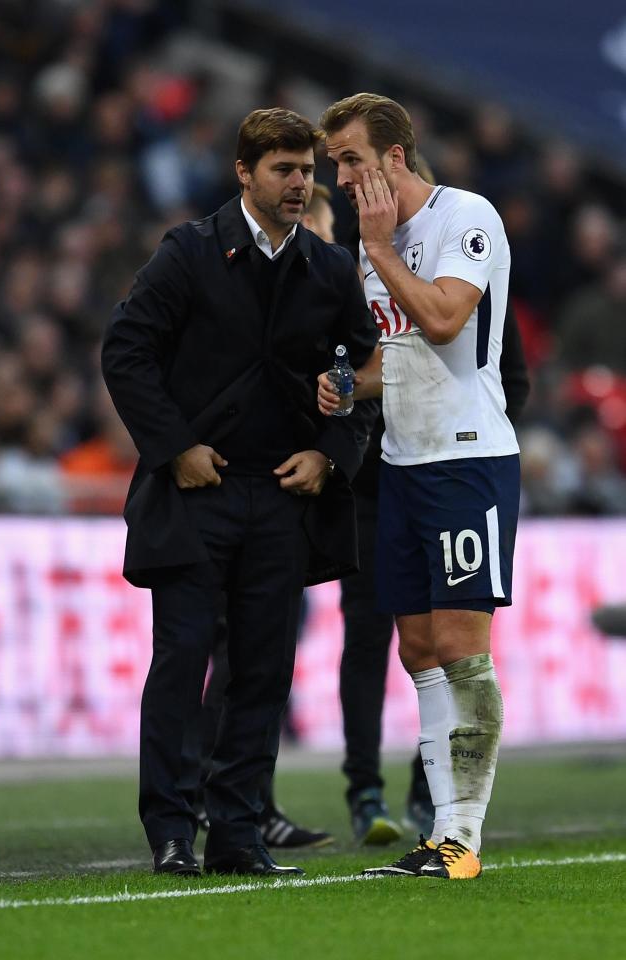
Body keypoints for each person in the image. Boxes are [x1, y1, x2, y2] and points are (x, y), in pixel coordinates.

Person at [102, 107, 380, 878]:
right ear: (243, 173)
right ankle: (169, 829)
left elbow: (364, 379)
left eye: (308, 171)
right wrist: (173, 448)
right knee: (182, 660)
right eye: (284, 170)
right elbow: (124, 352)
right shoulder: (187, 252)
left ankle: (238, 831)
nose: (301, 184)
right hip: (197, 492)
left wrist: (330, 456)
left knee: (261, 670)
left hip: (281, 498)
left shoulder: (328, 268)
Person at [318, 93, 520, 880]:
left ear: (393, 158)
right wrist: (345, 385)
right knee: (417, 649)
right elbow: (396, 359)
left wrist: (379, 249)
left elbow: (441, 320)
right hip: (400, 465)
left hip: (467, 459)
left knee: (464, 649)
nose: (339, 176)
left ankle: (463, 841)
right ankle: (439, 834)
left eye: (349, 160)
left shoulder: (462, 216)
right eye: (335, 161)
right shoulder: (380, 248)